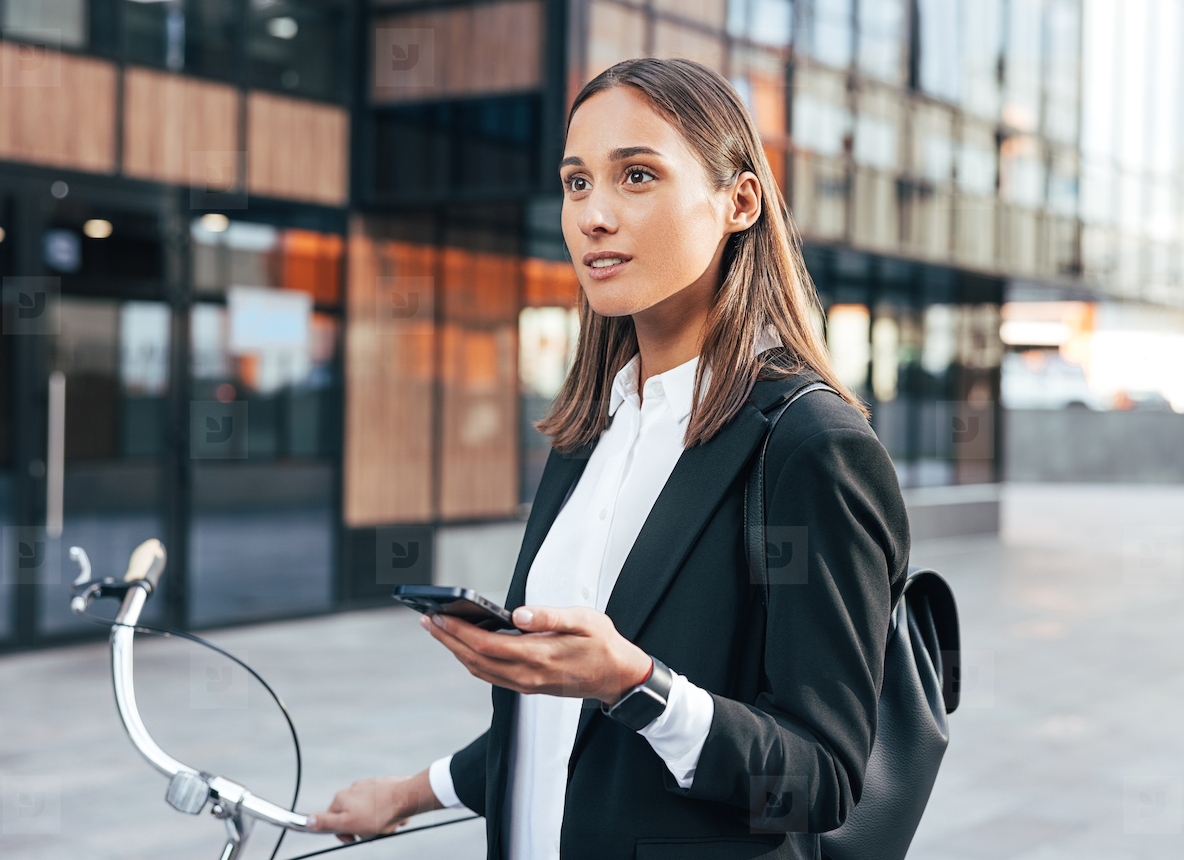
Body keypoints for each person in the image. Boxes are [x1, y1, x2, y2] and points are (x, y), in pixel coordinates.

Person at [308, 57, 910, 860]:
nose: (593, 215)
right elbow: (566, 731)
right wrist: (410, 795)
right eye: (576, 182)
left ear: (738, 202)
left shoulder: (808, 447)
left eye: (636, 176)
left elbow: (820, 782)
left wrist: (636, 684)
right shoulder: (590, 428)